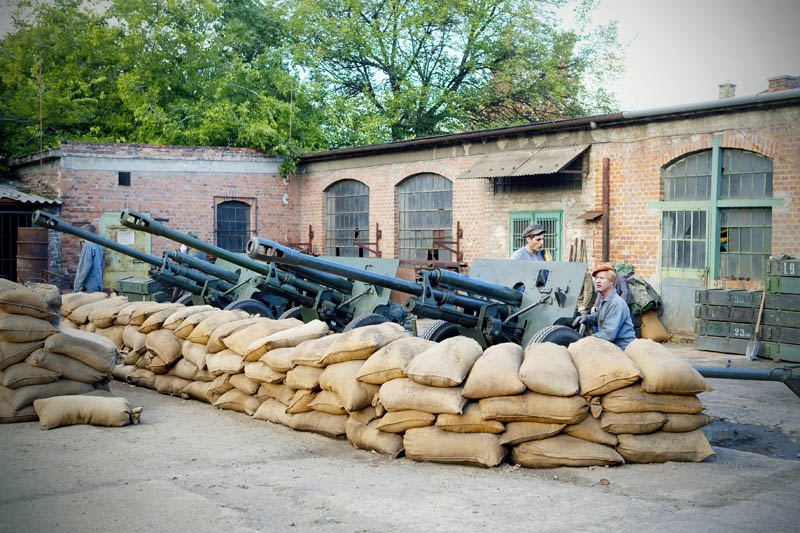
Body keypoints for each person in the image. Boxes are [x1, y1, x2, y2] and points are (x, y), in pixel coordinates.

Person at [573, 264, 636, 350]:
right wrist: (586, 318)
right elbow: (599, 316)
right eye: (597, 278)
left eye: (602, 278)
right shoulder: (605, 301)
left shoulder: (616, 303)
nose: (598, 281)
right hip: (610, 346)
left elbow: (608, 334)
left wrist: (586, 340)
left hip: (622, 348)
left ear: (612, 282)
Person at [73, 224, 103, 293]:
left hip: (88, 287)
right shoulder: (97, 244)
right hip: (96, 283)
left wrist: (77, 286)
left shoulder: (88, 245)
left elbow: (84, 268)